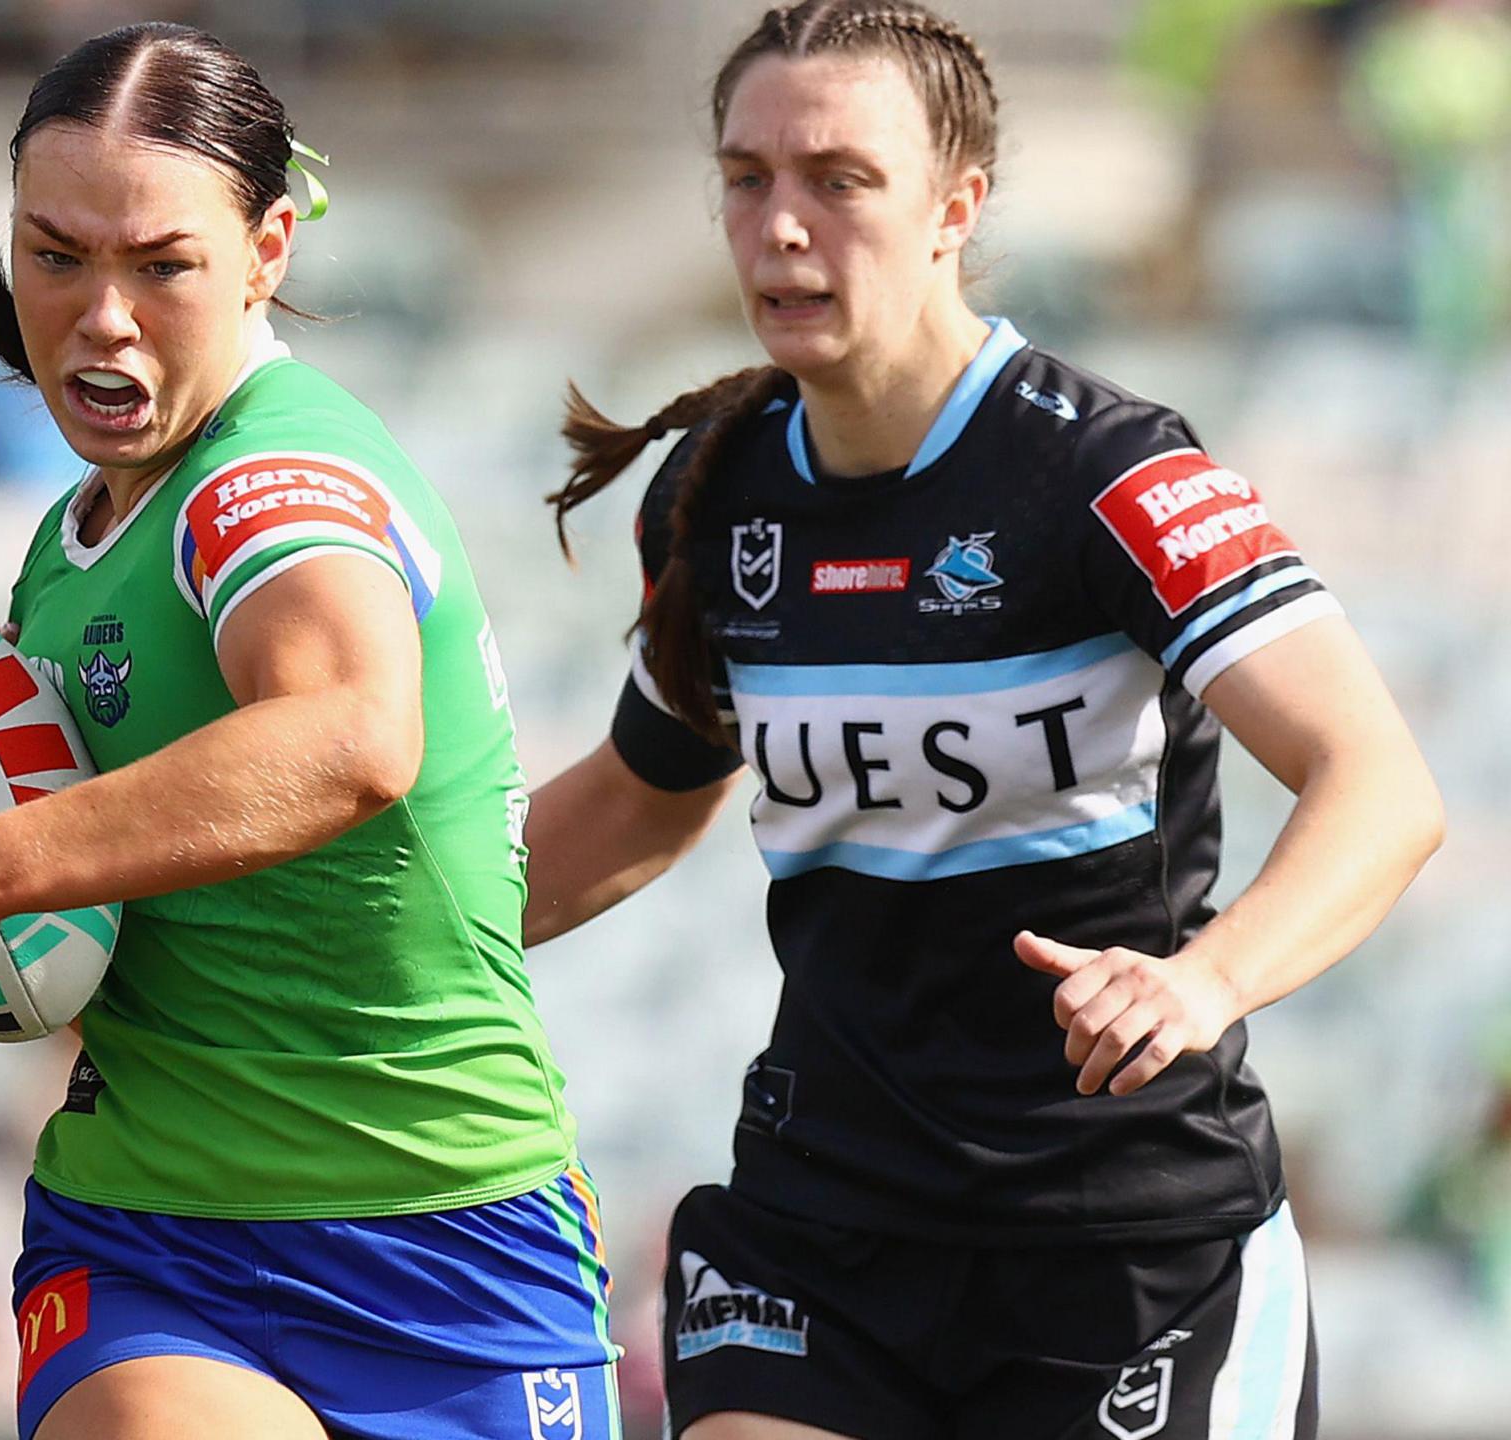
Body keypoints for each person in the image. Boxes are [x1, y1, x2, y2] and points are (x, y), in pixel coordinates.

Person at [523, 4, 1446, 1437]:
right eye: (747, 176)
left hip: (1126, 1254)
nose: (781, 225)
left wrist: (1201, 982)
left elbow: (1378, 786)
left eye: (839, 179)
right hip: (821, 1230)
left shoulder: (1108, 473)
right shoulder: (715, 491)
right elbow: (641, 800)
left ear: (957, 204)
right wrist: (350, 949)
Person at [0, 24, 613, 1440]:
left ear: (268, 250)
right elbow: (78, 947)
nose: (101, 316)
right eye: (56, 256)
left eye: (161, 266)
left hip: (447, 1240)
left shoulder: (271, 482)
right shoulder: (65, 549)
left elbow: (351, 737)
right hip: (151, 1238)